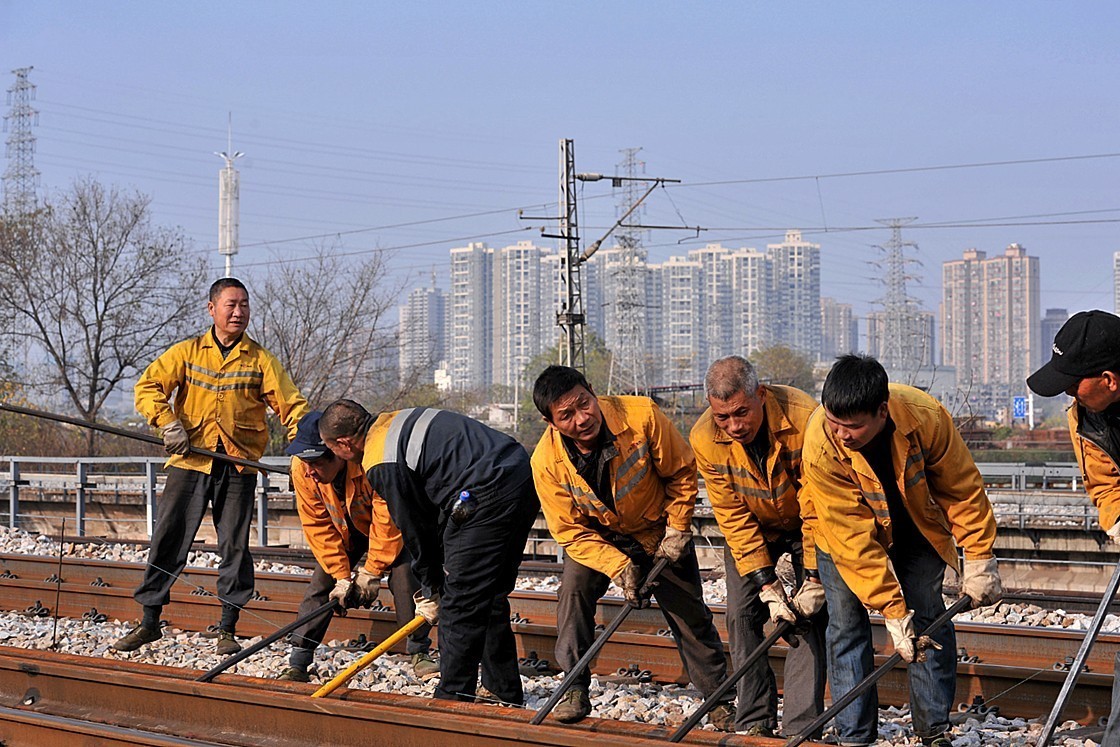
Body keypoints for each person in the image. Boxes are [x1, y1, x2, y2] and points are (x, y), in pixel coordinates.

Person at [800, 354, 1001, 747]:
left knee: (928, 622)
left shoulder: (926, 417)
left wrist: (978, 556)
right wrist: (891, 611)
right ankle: (854, 735)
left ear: (881, 411)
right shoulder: (819, 443)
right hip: (842, 538)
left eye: (853, 426)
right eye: (834, 423)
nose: (842, 434)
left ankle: (933, 730)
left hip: (915, 528)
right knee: (845, 629)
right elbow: (853, 541)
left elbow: (961, 489)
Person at [529, 365, 735, 729]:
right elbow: (570, 532)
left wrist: (677, 529)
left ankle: (718, 699)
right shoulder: (545, 463)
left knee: (690, 615)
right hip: (600, 537)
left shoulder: (641, 416)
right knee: (573, 593)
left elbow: (682, 472)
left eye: (584, 404)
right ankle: (574, 686)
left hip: (660, 529)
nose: (582, 418)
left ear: (593, 391)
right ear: (551, 422)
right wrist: (618, 566)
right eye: (567, 415)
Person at [114, 277, 308, 655]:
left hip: (237, 466)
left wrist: (309, 447)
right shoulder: (186, 352)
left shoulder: (260, 360)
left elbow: (292, 406)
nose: (238, 312)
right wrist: (167, 422)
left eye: (244, 306)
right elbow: (147, 387)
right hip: (190, 461)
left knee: (234, 546)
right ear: (212, 308)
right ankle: (150, 621)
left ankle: (227, 628)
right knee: (169, 538)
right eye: (231, 305)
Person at [318, 399, 538, 705]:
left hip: (483, 493)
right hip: (519, 474)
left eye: (331, 449)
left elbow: (415, 530)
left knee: (459, 602)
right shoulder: (395, 421)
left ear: (343, 443)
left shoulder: (380, 459)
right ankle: (504, 691)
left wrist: (432, 587)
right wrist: (433, 578)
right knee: (486, 594)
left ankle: (451, 699)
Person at [689, 355, 827, 739]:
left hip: (806, 523)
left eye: (741, 413)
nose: (734, 426)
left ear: (760, 395)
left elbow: (818, 501)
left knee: (808, 614)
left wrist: (813, 576)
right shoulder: (704, 438)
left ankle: (801, 725)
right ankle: (754, 718)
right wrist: (766, 584)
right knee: (740, 614)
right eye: (722, 417)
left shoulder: (805, 418)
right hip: (753, 526)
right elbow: (732, 516)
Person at [277, 411, 437, 683]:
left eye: (316, 463)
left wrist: (370, 572)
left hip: (387, 524)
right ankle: (299, 660)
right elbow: (317, 527)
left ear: (338, 452)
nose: (309, 471)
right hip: (344, 529)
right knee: (322, 582)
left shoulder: (370, 459)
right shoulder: (302, 469)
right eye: (305, 463)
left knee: (405, 575)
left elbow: (388, 520)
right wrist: (341, 577)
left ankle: (419, 652)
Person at [1028, 309, 1120, 747]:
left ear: (1110, 379)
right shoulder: (1085, 416)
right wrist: (1117, 519)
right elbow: (1104, 481)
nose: (1066, 391)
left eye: (1073, 381)